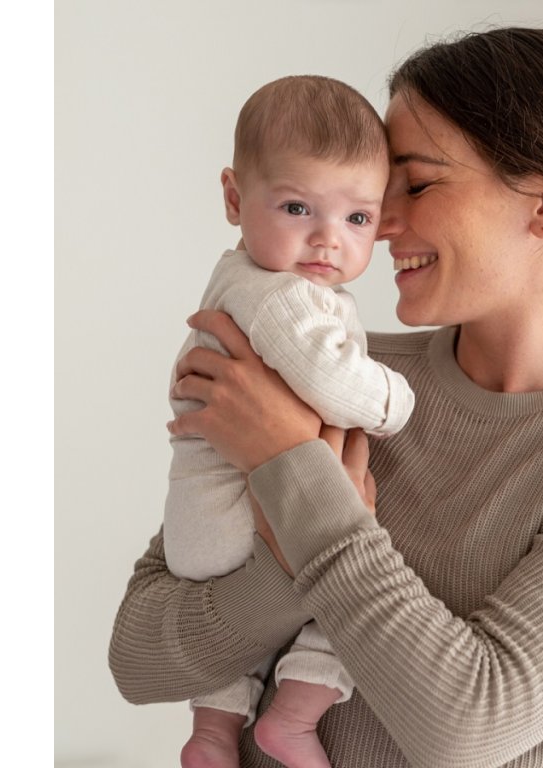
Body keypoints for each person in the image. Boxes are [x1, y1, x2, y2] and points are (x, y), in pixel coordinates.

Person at [110, 27, 543, 768]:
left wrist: (289, 464)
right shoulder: (340, 373)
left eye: (419, 184)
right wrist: (282, 570)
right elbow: (137, 657)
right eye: (383, 189)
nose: (382, 222)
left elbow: (466, 726)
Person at [161, 75, 414, 768]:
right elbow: (334, 383)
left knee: (240, 646)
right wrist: (397, 400)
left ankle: (212, 734)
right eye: (299, 207)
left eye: (357, 219)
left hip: (200, 529)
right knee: (352, 599)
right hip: (244, 520)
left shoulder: (240, 281)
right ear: (234, 199)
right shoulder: (281, 298)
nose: (328, 239)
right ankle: (294, 719)